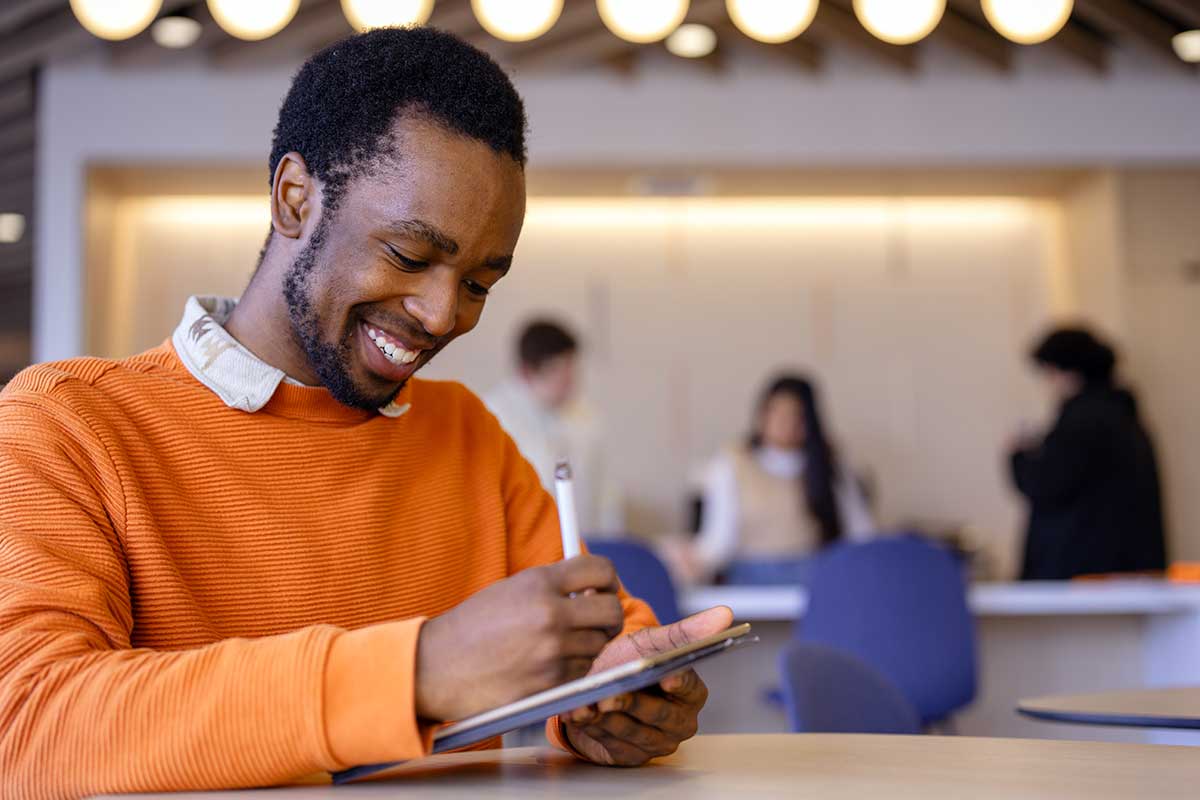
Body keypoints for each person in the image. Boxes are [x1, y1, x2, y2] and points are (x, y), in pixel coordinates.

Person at [0, 28, 730, 799]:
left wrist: (608, 700)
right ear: (294, 200)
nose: (444, 314)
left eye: (480, 282)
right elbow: (24, 725)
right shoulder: (67, 426)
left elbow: (604, 630)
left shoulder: (465, 435)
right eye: (412, 256)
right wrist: (418, 671)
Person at [683, 374, 877, 584]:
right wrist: (692, 561)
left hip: (813, 576)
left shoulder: (829, 465)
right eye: (776, 412)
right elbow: (719, 541)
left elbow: (860, 535)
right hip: (749, 579)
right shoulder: (732, 463)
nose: (785, 423)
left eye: (797, 416)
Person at [1010, 327, 1167, 580]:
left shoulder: (1082, 421)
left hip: (1082, 576)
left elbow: (1047, 484)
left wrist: (1019, 456)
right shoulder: (1124, 417)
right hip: (1125, 572)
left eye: (1050, 374)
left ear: (1067, 372)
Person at [484, 319, 623, 535]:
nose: (569, 381)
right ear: (527, 372)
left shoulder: (585, 416)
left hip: (584, 545)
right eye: (558, 370)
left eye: (571, 368)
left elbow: (605, 496)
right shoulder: (492, 417)